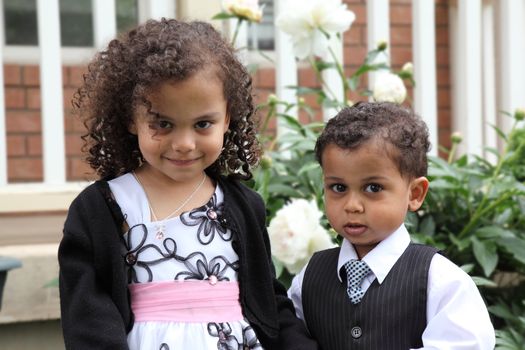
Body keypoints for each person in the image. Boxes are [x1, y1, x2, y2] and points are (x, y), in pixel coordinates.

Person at [58, 18, 318, 350]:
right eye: (163, 124)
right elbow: (87, 311)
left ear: (226, 118)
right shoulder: (105, 207)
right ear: (130, 119)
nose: (184, 143)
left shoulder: (242, 206)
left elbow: (269, 300)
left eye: (203, 124)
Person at [288, 102, 495, 349]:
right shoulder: (308, 280)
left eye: (373, 188)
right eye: (338, 188)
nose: (352, 205)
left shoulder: (441, 282)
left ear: (415, 193)